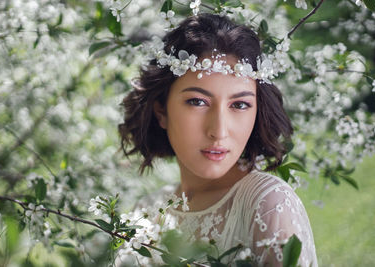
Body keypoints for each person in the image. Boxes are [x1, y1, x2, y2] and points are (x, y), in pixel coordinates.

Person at [118, 13, 317, 266]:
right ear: (162, 112)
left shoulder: (266, 204)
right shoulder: (146, 211)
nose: (219, 131)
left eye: (240, 104)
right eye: (198, 102)